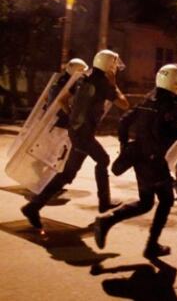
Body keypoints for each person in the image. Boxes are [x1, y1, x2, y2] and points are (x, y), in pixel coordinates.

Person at [94, 64, 177, 258]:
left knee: (146, 202)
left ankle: (106, 222)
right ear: (174, 82)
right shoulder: (167, 105)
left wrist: (124, 146)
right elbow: (161, 131)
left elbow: (124, 121)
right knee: (166, 200)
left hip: (140, 157)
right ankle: (151, 246)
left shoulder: (149, 99)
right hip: (154, 161)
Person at [21, 50, 130, 229]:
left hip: (77, 131)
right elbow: (124, 104)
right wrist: (114, 84)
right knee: (103, 160)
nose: (116, 69)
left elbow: (63, 100)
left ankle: (33, 207)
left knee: (68, 174)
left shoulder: (83, 79)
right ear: (109, 65)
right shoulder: (103, 83)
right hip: (84, 134)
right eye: (114, 65)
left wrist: (74, 117)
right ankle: (104, 203)